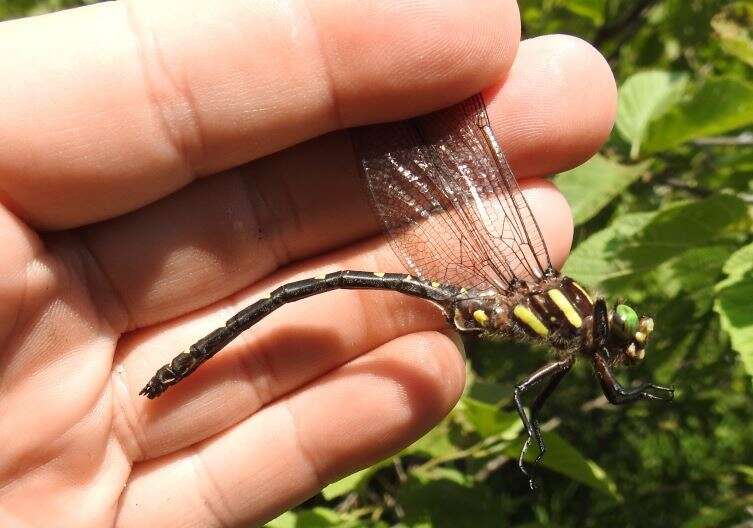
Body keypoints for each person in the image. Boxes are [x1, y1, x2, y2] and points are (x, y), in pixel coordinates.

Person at [0, 0, 617, 526]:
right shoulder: (562, 314)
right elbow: (529, 391)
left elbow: (555, 390)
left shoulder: (567, 326)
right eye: (618, 332)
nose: (617, 339)